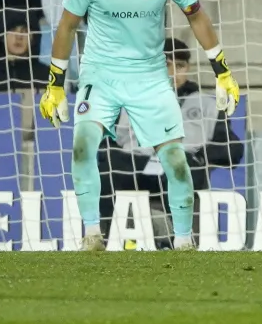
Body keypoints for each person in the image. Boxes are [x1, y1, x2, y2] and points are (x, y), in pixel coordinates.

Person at [37, 0, 241, 252]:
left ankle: (183, 242)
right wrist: (55, 83)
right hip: (100, 76)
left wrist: (221, 70)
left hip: (150, 77)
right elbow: (67, 26)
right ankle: (91, 235)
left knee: (176, 160)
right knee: (83, 146)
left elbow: (196, 16)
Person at [100, 38, 245, 243]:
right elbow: (106, 142)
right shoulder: (128, 101)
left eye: (180, 66)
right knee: (108, 167)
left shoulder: (208, 105)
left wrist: (200, 156)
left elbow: (233, 150)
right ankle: (105, 237)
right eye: (167, 65)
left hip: (180, 165)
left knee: (180, 166)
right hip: (136, 165)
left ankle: (178, 239)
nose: (174, 73)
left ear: (188, 68)